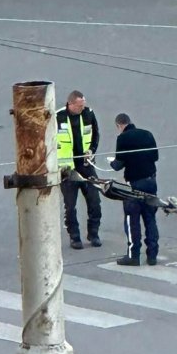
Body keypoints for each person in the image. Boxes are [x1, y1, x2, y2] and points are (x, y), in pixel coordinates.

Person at [110, 113, 160, 266]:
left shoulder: (122, 139)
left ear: (119, 125)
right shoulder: (147, 134)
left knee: (132, 220)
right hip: (150, 182)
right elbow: (155, 157)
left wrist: (112, 163)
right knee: (150, 218)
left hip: (134, 184)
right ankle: (152, 255)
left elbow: (119, 164)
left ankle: (134, 255)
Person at [56, 90, 102, 249]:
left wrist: (92, 150)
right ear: (71, 104)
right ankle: (74, 237)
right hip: (67, 169)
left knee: (95, 201)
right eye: (80, 106)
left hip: (86, 165)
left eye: (83, 105)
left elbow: (95, 135)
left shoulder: (88, 114)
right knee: (70, 206)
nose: (83, 108)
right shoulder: (58, 117)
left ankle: (93, 233)